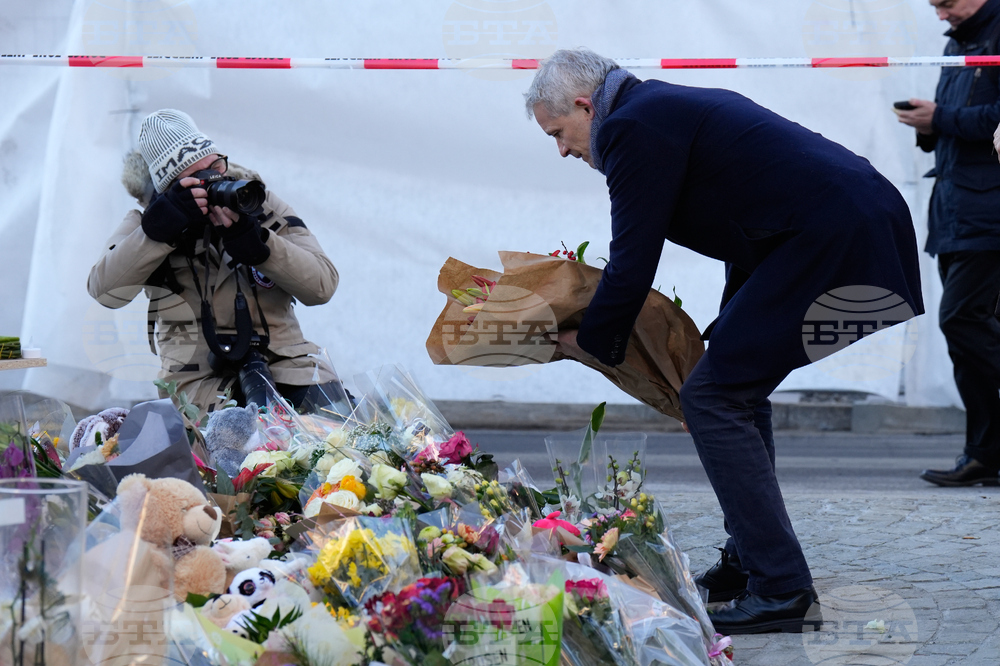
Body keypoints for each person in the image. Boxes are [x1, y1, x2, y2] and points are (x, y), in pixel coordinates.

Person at [525, 49, 923, 634]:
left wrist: (587, 340)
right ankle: (749, 561)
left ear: (586, 106)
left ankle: (782, 589)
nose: (562, 150)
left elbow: (634, 259)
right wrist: (727, 326)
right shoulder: (658, 107)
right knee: (730, 387)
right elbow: (753, 208)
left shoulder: (634, 125)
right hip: (840, 229)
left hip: (840, 239)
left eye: (559, 133)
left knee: (713, 397)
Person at [88, 109, 349, 420]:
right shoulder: (147, 224)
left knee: (340, 439)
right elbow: (104, 291)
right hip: (199, 382)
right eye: (197, 180)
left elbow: (323, 285)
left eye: (215, 166)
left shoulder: (258, 203)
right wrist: (157, 234)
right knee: (237, 450)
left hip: (289, 366)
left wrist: (262, 246)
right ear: (170, 189)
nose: (214, 181)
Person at [896, 0, 1000, 488]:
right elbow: (958, 125)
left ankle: (984, 452)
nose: (940, 15)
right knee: (969, 335)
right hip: (956, 209)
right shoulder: (957, 43)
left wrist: (943, 117)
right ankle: (984, 453)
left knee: (962, 320)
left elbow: (993, 119)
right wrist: (930, 124)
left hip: (990, 212)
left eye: (947, 3)